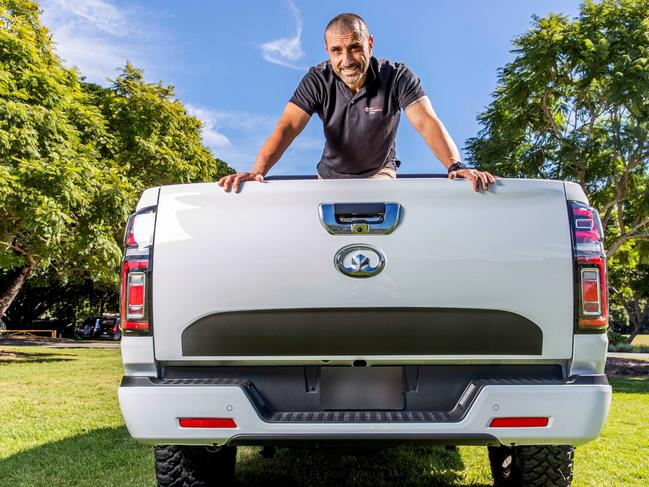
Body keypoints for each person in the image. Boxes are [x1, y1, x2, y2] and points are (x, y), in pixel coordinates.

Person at [218, 13, 495, 192]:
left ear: (370, 44)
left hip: (379, 173)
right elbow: (287, 127)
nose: (346, 60)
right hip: (330, 177)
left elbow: (426, 122)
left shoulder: (397, 76)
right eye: (337, 51)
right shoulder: (317, 79)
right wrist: (257, 173)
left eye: (354, 48)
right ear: (327, 51)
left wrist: (456, 166)